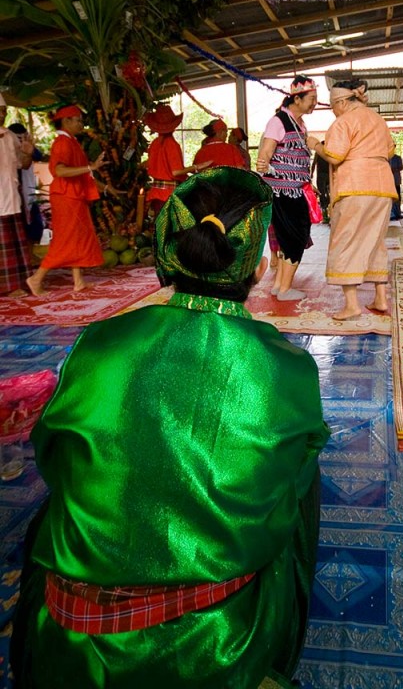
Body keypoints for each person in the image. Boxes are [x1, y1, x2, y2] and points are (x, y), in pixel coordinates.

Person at [11, 166, 329, 689]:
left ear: (169, 250)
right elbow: (284, 482)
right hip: (219, 644)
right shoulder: (285, 366)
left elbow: (53, 454)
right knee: (303, 477)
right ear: (257, 266)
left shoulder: (98, 341)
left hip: (70, 634)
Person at [308, 80, 397, 320]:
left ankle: (351, 305)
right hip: (382, 186)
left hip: (355, 186)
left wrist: (315, 145)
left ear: (342, 102)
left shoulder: (343, 121)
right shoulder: (378, 119)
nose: (333, 111)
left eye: (333, 106)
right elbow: (390, 150)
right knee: (375, 240)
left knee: (345, 240)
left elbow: (335, 156)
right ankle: (380, 298)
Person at [26, 105, 107, 296]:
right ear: (66, 121)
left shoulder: (71, 141)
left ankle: (78, 281)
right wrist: (91, 167)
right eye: (78, 120)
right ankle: (36, 278)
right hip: (66, 197)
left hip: (73, 196)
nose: (81, 123)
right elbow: (59, 171)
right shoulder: (62, 142)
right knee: (66, 240)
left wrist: (102, 185)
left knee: (77, 238)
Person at [256, 76, 317, 301]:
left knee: (288, 237)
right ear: (297, 98)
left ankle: (280, 286)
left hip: (297, 189)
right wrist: (266, 166)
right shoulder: (278, 121)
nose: (314, 103)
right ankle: (284, 289)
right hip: (283, 191)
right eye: (311, 99)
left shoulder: (300, 124)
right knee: (296, 237)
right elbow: (264, 156)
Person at [0, 92, 34, 296]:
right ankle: (8, 287)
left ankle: (15, 285)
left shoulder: (10, 136)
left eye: (4, 111)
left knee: (12, 245)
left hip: (11, 198)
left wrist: (28, 153)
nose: (2, 114)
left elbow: (24, 164)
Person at [144, 104, 190, 214]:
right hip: (169, 194)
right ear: (173, 125)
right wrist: (195, 167)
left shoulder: (154, 143)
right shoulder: (172, 144)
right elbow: (176, 172)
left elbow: (149, 163)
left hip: (156, 192)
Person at [8, 123, 45, 243]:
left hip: (27, 191)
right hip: (10, 193)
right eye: (18, 138)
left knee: (34, 223)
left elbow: (38, 156)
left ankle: (32, 250)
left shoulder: (27, 147)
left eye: (22, 137)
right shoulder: (6, 147)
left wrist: (28, 148)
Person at [389, 152, 403, 220]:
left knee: (397, 197)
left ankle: (398, 213)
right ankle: (391, 214)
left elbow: (401, 167)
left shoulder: (397, 158)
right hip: (388, 182)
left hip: (396, 180)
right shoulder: (386, 158)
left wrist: (394, 169)